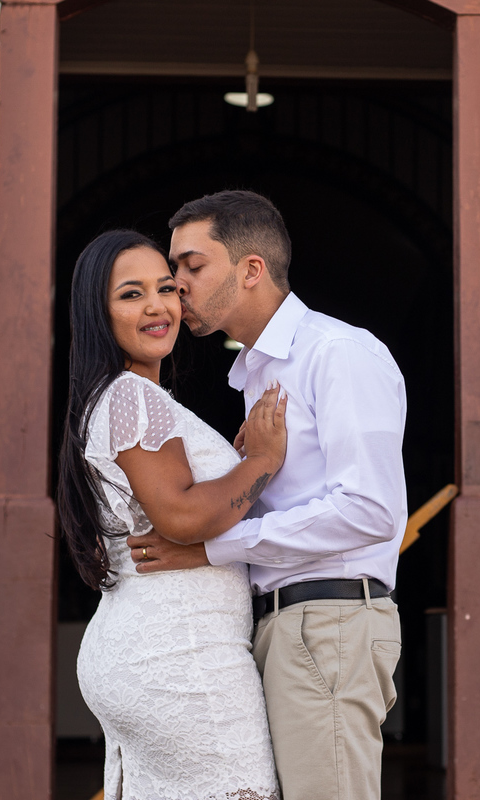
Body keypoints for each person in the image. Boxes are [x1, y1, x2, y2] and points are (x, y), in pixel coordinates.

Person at [127, 190, 407, 800]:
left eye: (191, 267)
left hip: (327, 621)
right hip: (285, 624)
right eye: (172, 270)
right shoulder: (257, 373)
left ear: (251, 269)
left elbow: (372, 510)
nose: (175, 286)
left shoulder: (337, 355)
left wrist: (216, 548)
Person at [55, 229, 288, 800]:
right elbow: (180, 516)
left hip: (148, 644)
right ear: (97, 312)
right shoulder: (133, 395)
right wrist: (260, 459)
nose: (158, 305)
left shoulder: (114, 396)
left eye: (166, 287)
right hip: (180, 655)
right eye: (131, 294)